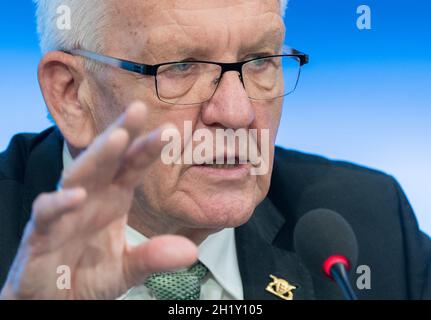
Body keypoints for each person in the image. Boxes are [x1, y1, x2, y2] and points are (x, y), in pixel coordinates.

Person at [0, 0, 430, 300]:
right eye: (181, 67)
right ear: (72, 94)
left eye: (260, 60)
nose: (237, 112)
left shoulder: (374, 229)